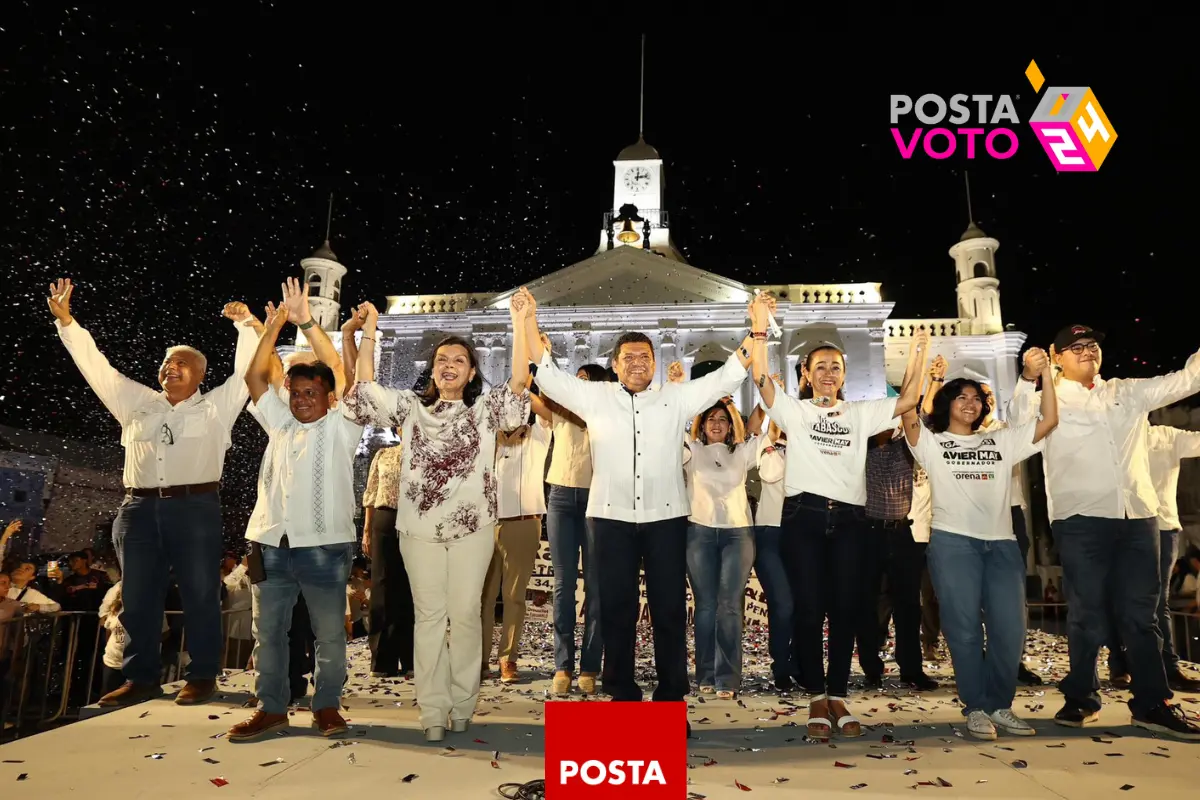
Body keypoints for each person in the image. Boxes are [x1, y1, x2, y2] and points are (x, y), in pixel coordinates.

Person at [525, 287, 771, 740]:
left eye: (646, 357)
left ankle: (672, 700)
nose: (639, 364)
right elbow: (546, 374)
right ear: (615, 364)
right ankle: (621, 695)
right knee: (615, 608)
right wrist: (526, 320)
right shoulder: (595, 398)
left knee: (669, 610)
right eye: (629, 358)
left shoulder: (675, 400)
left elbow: (731, 374)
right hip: (610, 518)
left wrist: (756, 327)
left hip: (666, 520)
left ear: (655, 364)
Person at [48, 279, 258, 707]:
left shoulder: (216, 407)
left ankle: (202, 676)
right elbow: (97, 368)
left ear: (200, 375)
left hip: (195, 508)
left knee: (200, 593)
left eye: (181, 364)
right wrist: (68, 322)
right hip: (138, 509)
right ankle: (140, 677)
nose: (170, 369)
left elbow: (247, 374)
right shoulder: (136, 402)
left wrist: (246, 327)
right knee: (138, 595)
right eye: (166, 364)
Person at [342, 296, 531, 743]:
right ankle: (431, 710)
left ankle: (463, 703)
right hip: (419, 529)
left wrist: (520, 321)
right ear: (432, 369)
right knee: (429, 617)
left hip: (474, 529)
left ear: (471, 373)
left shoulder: (486, 411)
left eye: (459, 360)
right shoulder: (410, 408)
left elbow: (520, 382)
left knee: (465, 615)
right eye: (442, 359)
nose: (449, 365)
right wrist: (370, 331)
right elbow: (364, 388)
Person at [1008, 324, 1200, 740]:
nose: (1087, 351)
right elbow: (1017, 429)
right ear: (1057, 357)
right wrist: (1026, 378)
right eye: (1075, 347)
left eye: (1092, 345)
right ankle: (1081, 696)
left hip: (1138, 518)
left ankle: (1153, 703)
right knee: (1086, 614)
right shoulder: (1047, 398)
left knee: (1142, 616)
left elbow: (1188, 379)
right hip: (1081, 519)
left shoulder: (1127, 391)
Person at [748, 327, 925, 740]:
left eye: (836, 367)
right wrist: (758, 329)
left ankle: (839, 695)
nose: (829, 372)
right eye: (820, 366)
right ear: (807, 374)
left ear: (844, 376)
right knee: (808, 610)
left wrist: (918, 354)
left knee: (846, 610)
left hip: (850, 522)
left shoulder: (860, 413)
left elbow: (910, 400)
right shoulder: (796, 411)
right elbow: (760, 379)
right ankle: (815, 696)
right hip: (803, 519)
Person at [227, 283, 364, 742]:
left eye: (313, 391)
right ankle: (271, 708)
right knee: (268, 633)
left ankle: (326, 706)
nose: (304, 398)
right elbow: (254, 379)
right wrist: (271, 329)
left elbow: (344, 374)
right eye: (298, 391)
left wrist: (307, 322)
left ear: (329, 396)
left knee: (328, 635)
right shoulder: (279, 420)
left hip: (324, 547)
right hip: (271, 542)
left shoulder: (344, 425)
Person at [903, 349, 1058, 739]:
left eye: (977, 398)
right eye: (962, 397)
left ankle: (999, 705)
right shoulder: (933, 443)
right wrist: (920, 363)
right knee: (965, 630)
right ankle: (975, 707)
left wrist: (1049, 375)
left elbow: (1049, 420)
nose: (971, 404)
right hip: (954, 545)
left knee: (1010, 629)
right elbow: (908, 413)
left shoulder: (1002, 441)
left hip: (1001, 545)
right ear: (947, 404)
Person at [1107, 425, 1200, 692]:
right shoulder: (1112, 435)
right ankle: (1120, 662)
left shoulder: (1167, 436)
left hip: (1163, 526)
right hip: (1122, 527)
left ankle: (1168, 669)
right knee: (1119, 599)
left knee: (1159, 601)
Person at [538, 355, 609, 697]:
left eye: (585, 379)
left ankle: (591, 666)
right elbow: (535, 387)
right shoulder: (559, 411)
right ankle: (562, 665)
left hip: (598, 500)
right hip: (562, 497)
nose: (578, 384)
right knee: (563, 585)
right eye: (575, 378)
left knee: (596, 587)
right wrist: (539, 354)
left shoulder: (606, 415)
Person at [681, 396, 757, 699]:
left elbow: (748, 432)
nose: (716, 423)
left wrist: (734, 411)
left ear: (729, 426)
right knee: (706, 606)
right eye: (711, 419)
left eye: (722, 419)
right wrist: (702, 406)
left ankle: (728, 678)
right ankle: (706, 674)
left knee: (729, 606)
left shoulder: (741, 452)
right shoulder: (693, 450)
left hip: (737, 535)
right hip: (699, 532)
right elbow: (684, 427)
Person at [481, 380, 552, 684]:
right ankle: (479, 660)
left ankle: (507, 658)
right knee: (480, 597)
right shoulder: (486, 439)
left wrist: (530, 378)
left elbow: (548, 410)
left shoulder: (539, 434)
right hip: (485, 524)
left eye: (517, 401)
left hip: (524, 522)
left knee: (514, 596)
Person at [362, 432, 415, 679]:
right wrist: (366, 531)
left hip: (416, 521)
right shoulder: (383, 454)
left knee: (412, 588)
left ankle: (411, 658)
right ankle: (382, 660)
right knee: (382, 586)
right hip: (384, 519)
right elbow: (371, 495)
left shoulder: (427, 455)